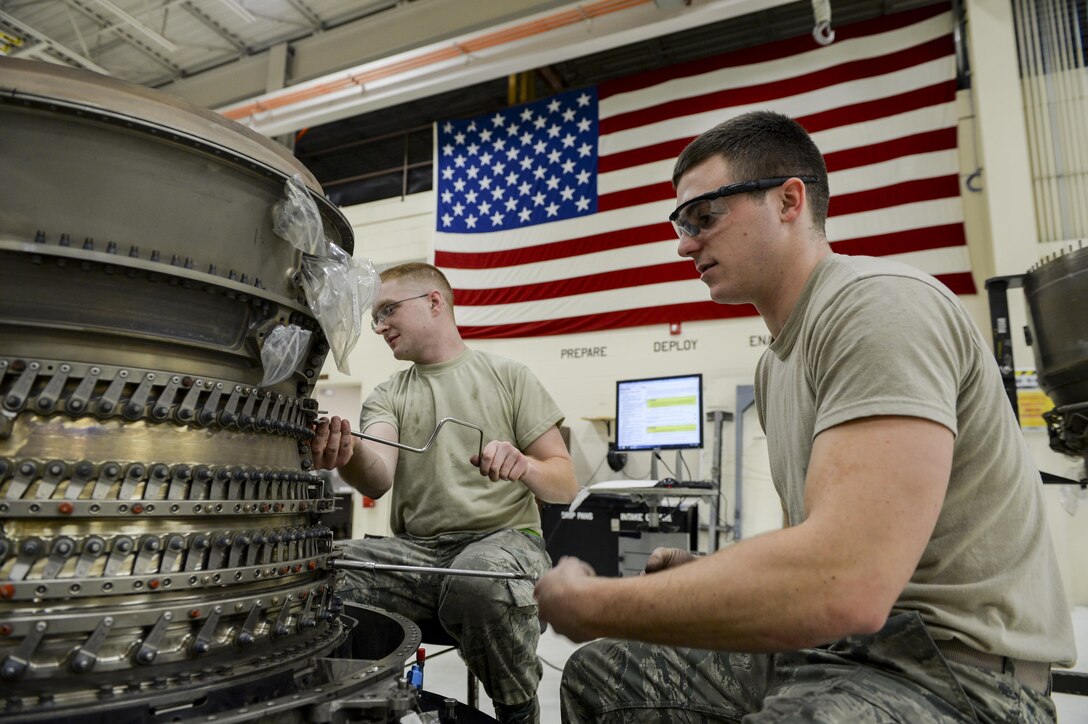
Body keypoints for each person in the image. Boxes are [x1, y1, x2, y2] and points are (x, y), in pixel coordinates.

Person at [533, 111, 1076, 723]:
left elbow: (845, 581)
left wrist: (601, 603)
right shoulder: (777, 365)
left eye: (703, 216)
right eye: (680, 224)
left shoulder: (878, 306)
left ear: (789, 200)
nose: (686, 243)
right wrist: (710, 576)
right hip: (842, 653)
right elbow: (815, 543)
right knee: (598, 675)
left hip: (955, 677)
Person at [311, 262, 578, 724]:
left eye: (388, 310)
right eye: (375, 317)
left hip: (503, 545)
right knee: (320, 573)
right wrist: (349, 451)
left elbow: (564, 482)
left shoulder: (508, 376)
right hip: (419, 557)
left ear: (435, 302)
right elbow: (377, 476)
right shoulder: (388, 394)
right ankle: (361, 705)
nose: (379, 326)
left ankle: (519, 712)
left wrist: (525, 465)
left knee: (476, 581)